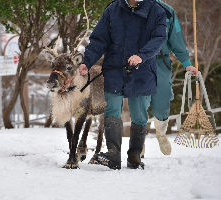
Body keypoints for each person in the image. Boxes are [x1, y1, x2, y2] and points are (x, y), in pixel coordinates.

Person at [79, 0, 167, 169]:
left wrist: (141, 55)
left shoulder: (157, 11)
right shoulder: (113, 9)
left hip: (143, 70)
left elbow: (159, 38)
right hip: (114, 68)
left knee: (139, 113)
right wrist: (87, 62)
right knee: (112, 109)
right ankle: (113, 155)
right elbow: (99, 39)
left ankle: (135, 155)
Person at [141, 0, 198, 157]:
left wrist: (187, 64)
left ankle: (160, 133)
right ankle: (138, 142)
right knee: (139, 102)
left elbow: (176, 39)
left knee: (162, 101)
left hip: (161, 61)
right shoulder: (130, 7)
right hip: (137, 62)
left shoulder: (167, 11)